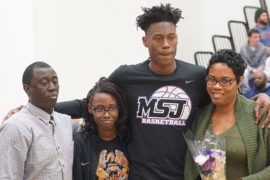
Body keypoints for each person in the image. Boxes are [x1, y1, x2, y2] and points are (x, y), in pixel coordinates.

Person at [3, 3, 270, 180]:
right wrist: (38, 109)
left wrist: (261, 97)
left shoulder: (196, 76)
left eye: (171, 37)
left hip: (184, 175)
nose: (166, 44)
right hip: (139, 175)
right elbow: (90, 101)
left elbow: (225, 98)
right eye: (158, 38)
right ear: (145, 41)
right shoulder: (127, 75)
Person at [185, 50, 270, 180]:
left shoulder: (260, 113)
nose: (217, 87)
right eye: (212, 79)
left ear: (239, 81)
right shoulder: (200, 117)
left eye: (225, 81)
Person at [0, 62, 74, 180]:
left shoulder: (66, 123)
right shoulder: (15, 127)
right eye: (44, 83)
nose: (52, 87)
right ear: (27, 89)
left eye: (55, 81)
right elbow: (7, 176)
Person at [73, 77, 129, 180]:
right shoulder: (79, 142)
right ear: (90, 108)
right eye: (100, 109)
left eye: (112, 108)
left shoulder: (130, 140)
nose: (106, 115)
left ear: (119, 108)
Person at [240, 28, 269, 93]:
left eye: (258, 37)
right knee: (244, 72)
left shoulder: (263, 48)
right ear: (249, 38)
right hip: (250, 71)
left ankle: (266, 89)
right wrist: (252, 70)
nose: (258, 39)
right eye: (255, 37)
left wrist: (258, 70)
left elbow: (263, 62)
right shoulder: (242, 49)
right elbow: (244, 63)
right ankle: (246, 91)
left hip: (261, 70)